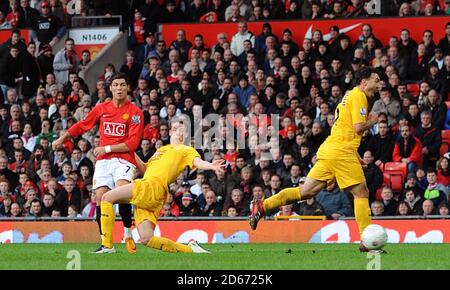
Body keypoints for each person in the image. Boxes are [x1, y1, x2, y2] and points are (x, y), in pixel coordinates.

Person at [249, 67, 381, 252]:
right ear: (364, 81)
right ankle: (368, 241)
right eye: (376, 80)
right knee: (361, 193)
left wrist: (355, 155)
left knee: (305, 192)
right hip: (341, 152)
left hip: (331, 150)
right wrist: (373, 120)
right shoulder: (359, 96)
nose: (379, 84)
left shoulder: (348, 97)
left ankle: (262, 206)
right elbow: (359, 128)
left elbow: (344, 128)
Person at [97, 119, 225, 254]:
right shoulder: (162, 150)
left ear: (186, 133)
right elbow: (145, 169)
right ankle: (190, 249)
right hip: (150, 191)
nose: (177, 131)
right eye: (174, 128)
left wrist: (211, 165)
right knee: (147, 239)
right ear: (170, 132)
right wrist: (130, 151)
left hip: (152, 186)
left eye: (181, 129)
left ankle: (107, 246)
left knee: (106, 197)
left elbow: (198, 162)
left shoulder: (186, 150)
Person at [52, 73, 144, 254]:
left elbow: (133, 144)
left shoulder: (135, 113)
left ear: (127, 88)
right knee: (101, 197)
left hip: (123, 158)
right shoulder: (102, 108)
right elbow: (82, 125)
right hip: (103, 161)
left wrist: (107, 148)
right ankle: (106, 244)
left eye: (122, 85)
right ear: (110, 88)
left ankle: (127, 232)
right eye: (116, 85)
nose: (119, 88)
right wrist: (62, 139)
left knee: (121, 191)